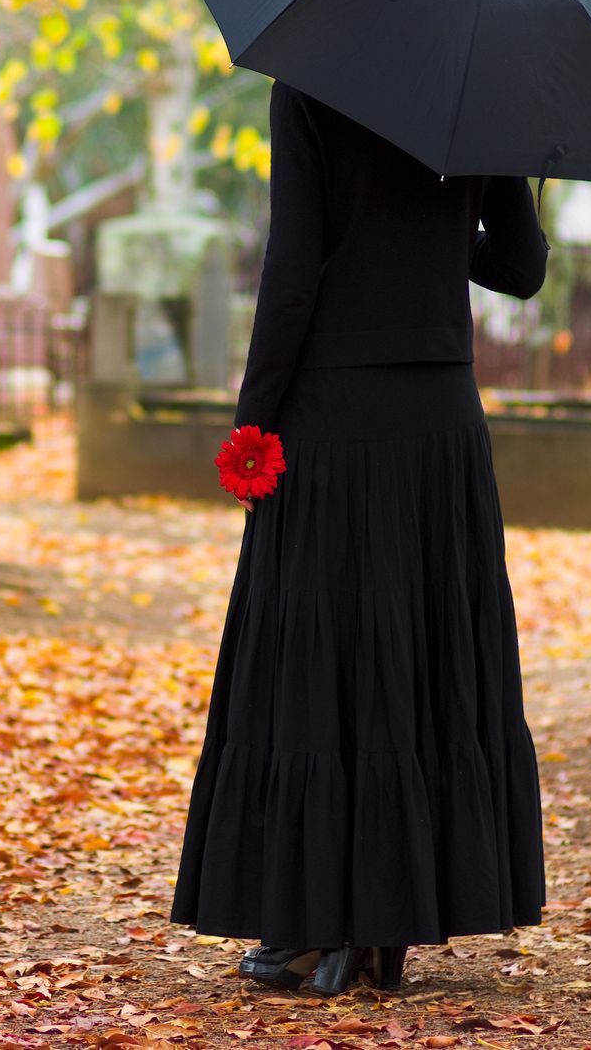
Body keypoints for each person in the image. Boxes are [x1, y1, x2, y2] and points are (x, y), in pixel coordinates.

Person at [169, 79, 551, 996]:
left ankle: (313, 926)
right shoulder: (475, 83)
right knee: (416, 659)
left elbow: (292, 269)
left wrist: (253, 418)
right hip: (437, 423)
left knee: (320, 657)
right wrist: (433, 220)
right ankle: (383, 933)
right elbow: (522, 267)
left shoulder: (311, 79)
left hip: (334, 417)